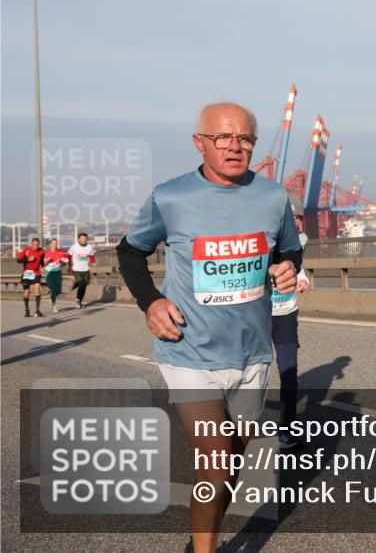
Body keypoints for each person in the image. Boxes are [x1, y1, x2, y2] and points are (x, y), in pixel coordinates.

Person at [117, 102, 301, 553]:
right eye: (222, 137)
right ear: (200, 142)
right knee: (215, 464)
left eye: (244, 138)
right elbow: (129, 251)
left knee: (229, 467)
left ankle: (201, 535)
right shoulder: (171, 196)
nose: (234, 147)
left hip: (252, 355)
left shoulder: (274, 196)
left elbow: (292, 253)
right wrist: (152, 300)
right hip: (189, 352)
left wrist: (286, 268)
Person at [270, 194, 311, 450]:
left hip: (286, 314)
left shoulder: (299, 244)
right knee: (253, 374)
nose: (296, 224)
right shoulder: (264, 241)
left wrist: (304, 279)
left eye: (299, 219)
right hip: (258, 315)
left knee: (289, 372)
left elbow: (299, 268)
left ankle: (286, 430)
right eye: (291, 218)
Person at [16, 237, 46, 318]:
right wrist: (28, 260)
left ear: (39, 244)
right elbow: (18, 260)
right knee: (26, 292)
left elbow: (42, 260)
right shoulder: (27, 250)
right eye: (34, 245)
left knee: (37, 287)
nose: (35, 247)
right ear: (31, 244)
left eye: (37, 245)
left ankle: (37, 310)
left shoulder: (42, 250)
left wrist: (43, 267)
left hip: (36, 272)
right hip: (27, 273)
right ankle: (26, 309)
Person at [67, 232, 95, 308]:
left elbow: (91, 255)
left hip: (86, 269)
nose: (83, 240)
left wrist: (93, 262)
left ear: (87, 239)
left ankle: (79, 300)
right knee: (81, 284)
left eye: (85, 239)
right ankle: (77, 299)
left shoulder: (90, 247)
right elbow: (69, 256)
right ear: (79, 239)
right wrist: (69, 266)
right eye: (82, 238)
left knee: (84, 286)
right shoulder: (74, 247)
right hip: (76, 269)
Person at [43, 238, 69, 313]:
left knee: (58, 291)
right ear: (50, 244)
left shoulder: (61, 252)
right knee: (53, 289)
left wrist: (61, 262)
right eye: (53, 243)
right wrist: (48, 260)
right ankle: (54, 306)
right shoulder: (46, 253)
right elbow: (43, 264)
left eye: (56, 243)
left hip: (57, 272)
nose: (55, 244)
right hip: (49, 272)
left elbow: (65, 262)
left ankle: (52, 297)